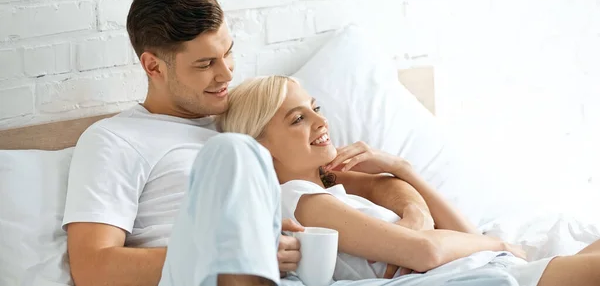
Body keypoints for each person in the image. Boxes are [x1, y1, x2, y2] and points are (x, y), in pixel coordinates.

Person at [62, 0, 439, 286]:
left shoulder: (256, 117)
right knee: (235, 152)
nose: (226, 74)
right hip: (194, 278)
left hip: (292, 278)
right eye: (206, 63)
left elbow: (361, 181)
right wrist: (233, 253)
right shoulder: (114, 140)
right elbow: (94, 267)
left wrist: (414, 221)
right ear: (154, 67)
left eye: (228, 53)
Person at [216, 75, 600, 286]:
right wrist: (498, 242)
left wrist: (403, 169)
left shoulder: (331, 191)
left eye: (315, 109)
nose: (320, 122)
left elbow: (465, 233)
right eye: (297, 119)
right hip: (488, 273)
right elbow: (426, 253)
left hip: (493, 263)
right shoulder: (300, 200)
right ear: (260, 150)